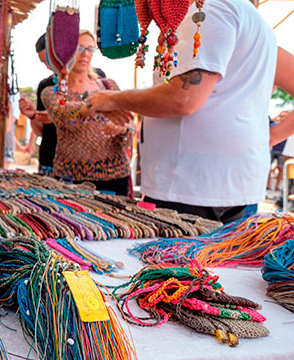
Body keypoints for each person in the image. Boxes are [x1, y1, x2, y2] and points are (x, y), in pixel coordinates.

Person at [86, 0, 286, 223]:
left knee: (180, 258)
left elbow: (185, 97)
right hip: (221, 182)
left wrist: (113, 99)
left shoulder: (209, 9)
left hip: (194, 185)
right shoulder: (245, 15)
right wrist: (269, 138)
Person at [39, 30, 136, 196]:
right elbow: (62, 115)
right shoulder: (51, 92)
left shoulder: (108, 86)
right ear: (66, 49)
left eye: (90, 49)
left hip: (114, 178)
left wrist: (121, 128)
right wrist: (92, 106)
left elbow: (130, 125)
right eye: (79, 48)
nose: (85, 54)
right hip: (70, 180)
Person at [19, 34, 55, 176]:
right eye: (43, 62)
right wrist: (33, 115)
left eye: (49, 60)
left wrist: (57, 118)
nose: (47, 66)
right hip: (48, 162)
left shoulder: (95, 80)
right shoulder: (45, 85)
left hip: (78, 168)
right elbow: (42, 131)